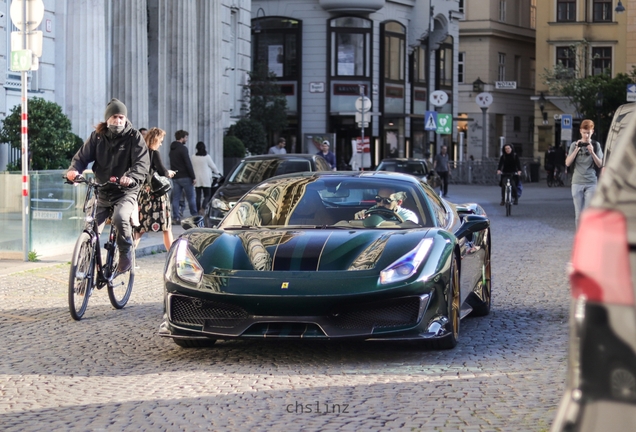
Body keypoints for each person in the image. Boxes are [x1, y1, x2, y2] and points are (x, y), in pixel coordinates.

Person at [66, 98, 150, 273]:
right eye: (114, 117)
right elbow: (81, 157)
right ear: (107, 119)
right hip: (102, 189)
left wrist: (131, 177)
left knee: (120, 218)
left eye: (121, 117)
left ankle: (126, 252)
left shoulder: (134, 137)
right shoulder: (97, 136)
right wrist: (74, 171)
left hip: (126, 191)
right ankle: (84, 268)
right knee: (90, 225)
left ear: (125, 118)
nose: (117, 121)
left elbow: (141, 164)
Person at [134, 128, 175, 251]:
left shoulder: (140, 152)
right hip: (156, 195)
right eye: (161, 141)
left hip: (143, 193)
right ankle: (173, 257)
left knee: (140, 228)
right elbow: (163, 171)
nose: (161, 144)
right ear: (156, 140)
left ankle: (127, 258)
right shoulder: (154, 152)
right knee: (166, 228)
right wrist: (169, 173)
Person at [565, 119, 603, 227]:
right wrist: (576, 149)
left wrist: (592, 152)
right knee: (578, 214)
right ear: (580, 131)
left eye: (589, 132)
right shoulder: (574, 145)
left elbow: (600, 164)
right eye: (584, 132)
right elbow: (567, 163)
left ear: (592, 131)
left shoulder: (596, 145)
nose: (586, 135)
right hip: (577, 182)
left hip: (591, 182)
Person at [169, 130, 197, 224]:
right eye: (186, 137)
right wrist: (193, 176)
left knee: (176, 198)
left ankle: (176, 217)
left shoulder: (172, 149)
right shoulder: (183, 149)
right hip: (185, 176)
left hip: (176, 177)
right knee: (191, 197)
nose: (186, 139)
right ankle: (194, 216)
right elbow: (187, 163)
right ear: (182, 138)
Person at [354, 187, 418, 223]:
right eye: (378, 199)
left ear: (399, 203)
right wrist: (361, 217)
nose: (381, 204)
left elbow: (410, 230)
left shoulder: (407, 216)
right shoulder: (373, 210)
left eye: (387, 201)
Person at [191, 141, 221, 214]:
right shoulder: (207, 157)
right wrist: (218, 173)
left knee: (198, 196)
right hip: (206, 179)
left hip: (197, 178)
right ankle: (203, 207)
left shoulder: (193, 157)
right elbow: (213, 166)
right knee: (207, 195)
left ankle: (198, 210)